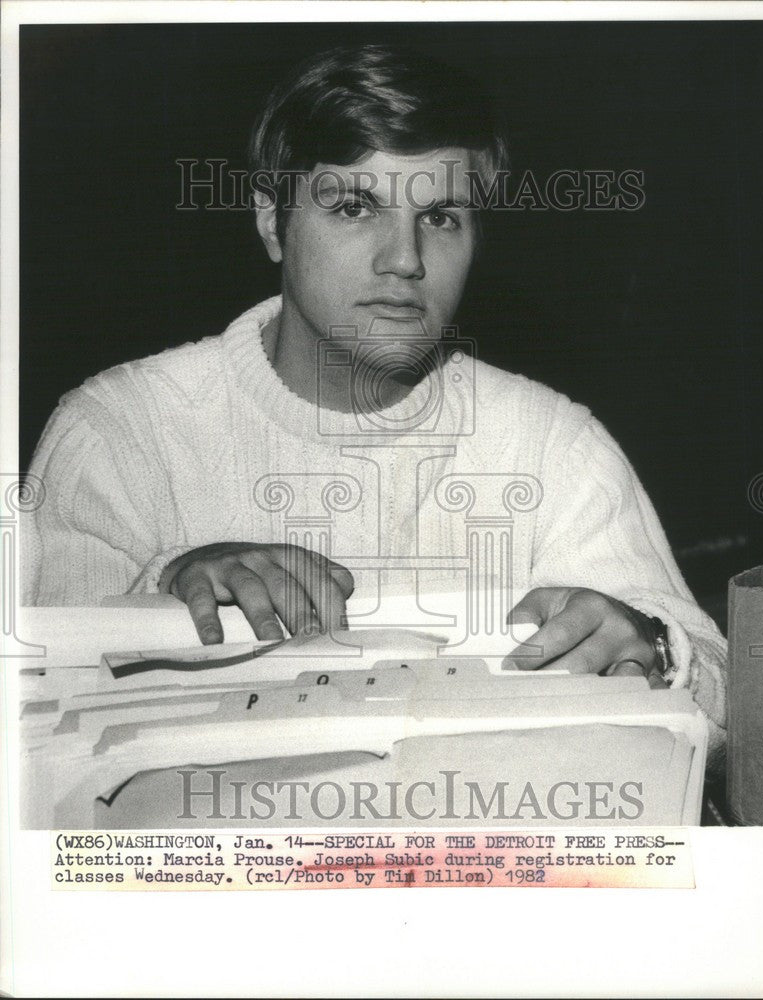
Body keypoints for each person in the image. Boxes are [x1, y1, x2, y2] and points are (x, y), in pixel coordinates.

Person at [22, 44, 727, 761]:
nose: (404, 259)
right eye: (356, 206)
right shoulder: (119, 431)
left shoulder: (552, 444)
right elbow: (27, 717)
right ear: (272, 222)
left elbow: (722, 688)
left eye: (442, 216)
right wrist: (170, 587)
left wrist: (653, 647)